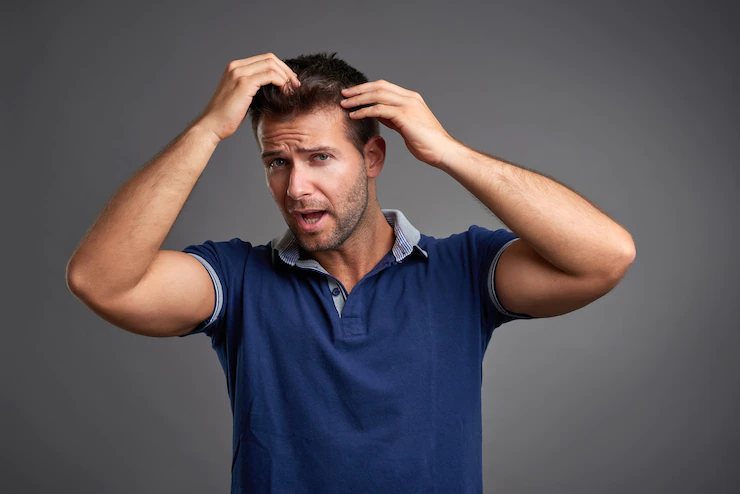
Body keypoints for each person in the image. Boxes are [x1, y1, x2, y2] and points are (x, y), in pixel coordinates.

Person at [66, 52, 635, 493]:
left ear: (372, 158)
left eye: (319, 158)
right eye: (277, 162)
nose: (295, 188)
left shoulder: (461, 270)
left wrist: (447, 151)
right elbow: (102, 281)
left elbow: (606, 256)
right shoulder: (236, 280)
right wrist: (208, 129)